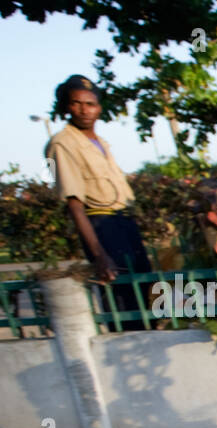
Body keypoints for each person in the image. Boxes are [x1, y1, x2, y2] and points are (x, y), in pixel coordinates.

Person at [44, 75, 151, 311]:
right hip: (101, 225)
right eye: (76, 103)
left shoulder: (101, 142)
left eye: (90, 104)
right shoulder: (62, 144)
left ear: (99, 108)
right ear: (66, 107)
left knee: (144, 292)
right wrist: (99, 255)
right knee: (122, 300)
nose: (84, 110)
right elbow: (74, 205)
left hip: (124, 223)